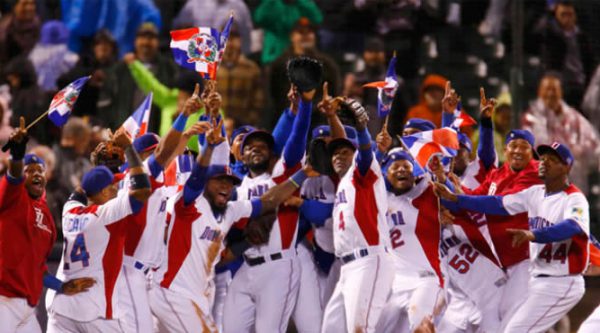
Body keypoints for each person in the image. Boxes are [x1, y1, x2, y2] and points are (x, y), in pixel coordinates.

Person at [151, 115, 316, 332]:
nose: (225, 187)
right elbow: (196, 179)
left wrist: (302, 175)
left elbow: (268, 201)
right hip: (171, 291)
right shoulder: (190, 204)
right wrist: (209, 147)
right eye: (219, 181)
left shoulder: (231, 210)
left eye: (229, 183)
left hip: (196, 294)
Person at [434, 141, 590, 333]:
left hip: (562, 281)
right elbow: (496, 203)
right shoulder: (534, 193)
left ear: (566, 167)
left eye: (552, 160)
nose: (544, 162)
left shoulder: (574, 198)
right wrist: (456, 198)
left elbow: (572, 226)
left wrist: (533, 234)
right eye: (543, 158)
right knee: (507, 326)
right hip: (537, 278)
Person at [222, 81, 314, 333]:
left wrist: (304, 105)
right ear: (240, 155)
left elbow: (296, 138)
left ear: (272, 152)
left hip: (278, 266)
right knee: (229, 327)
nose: (255, 149)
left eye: (262, 145)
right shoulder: (235, 189)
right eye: (249, 146)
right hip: (246, 266)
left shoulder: (281, 175)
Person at [118, 86, 210, 333]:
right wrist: (183, 116)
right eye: (150, 152)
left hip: (145, 275)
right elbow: (163, 154)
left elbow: (167, 155)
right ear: (140, 156)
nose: (158, 156)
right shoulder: (139, 177)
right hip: (130, 271)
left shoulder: (143, 180)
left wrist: (187, 133)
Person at [46, 127, 152, 332]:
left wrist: (100, 168)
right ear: (102, 190)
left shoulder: (69, 211)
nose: (114, 188)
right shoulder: (105, 215)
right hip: (95, 310)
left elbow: (83, 188)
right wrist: (129, 149)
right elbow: (142, 190)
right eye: (110, 186)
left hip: (61, 307)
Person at [1, 118, 94, 332]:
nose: (35, 174)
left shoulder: (48, 218)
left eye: (40, 170)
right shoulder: (12, 197)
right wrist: (17, 154)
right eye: (29, 170)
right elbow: (13, 176)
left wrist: (61, 286)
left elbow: (38, 269)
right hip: (3, 300)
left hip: (28, 307)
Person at [321, 98, 395, 333]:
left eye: (345, 152)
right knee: (330, 328)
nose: (339, 156)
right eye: (335, 153)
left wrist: (362, 129)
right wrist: (332, 117)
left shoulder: (363, 172)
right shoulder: (343, 183)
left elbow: (364, 153)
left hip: (369, 261)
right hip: (347, 267)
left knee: (360, 329)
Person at [375, 149, 445, 333]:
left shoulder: (427, 192)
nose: (401, 170)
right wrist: (378, 151)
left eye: (406, 166)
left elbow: (448, 192)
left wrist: (441, 177)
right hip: (397, 281)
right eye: (395, 166)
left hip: (428, 279)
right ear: (385, 173)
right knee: (374, 326)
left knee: (420, 325)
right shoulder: (382, 199)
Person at [522, 73, 600, 195]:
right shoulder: (530, 119)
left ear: (561, 92)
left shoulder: (575, 118)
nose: (550, 94)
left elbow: (595, 148)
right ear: (539, 92)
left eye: (554, 89)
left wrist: (581, 152)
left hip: (574, 190)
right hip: (542, 191)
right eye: (547, 89)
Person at [98, 23, 178, 132]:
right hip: (124, 132)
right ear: (135, 41)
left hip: (155, 132)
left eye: (151, 38)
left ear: (157, 42)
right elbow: (107, 101)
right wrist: (110, 127)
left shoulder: (169, 69)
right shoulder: (121, 69)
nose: (146, 42)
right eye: (142, 37)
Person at [269, 18, 341, 126]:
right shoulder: (279, 64)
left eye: (309, 33)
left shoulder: (327, 64)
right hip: (288, 119)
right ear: (292, 37)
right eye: (301, 33)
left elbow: (335, 93)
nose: (306, 36)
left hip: (319, 121)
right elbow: (272, 96)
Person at [536, 0, 595, 106]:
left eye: (570, 15)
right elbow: (538, 30)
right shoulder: (551, 35)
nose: (567, 19)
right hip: (561, 85)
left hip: (581, 85)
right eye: (563, 15)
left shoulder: (582, 37)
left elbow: (589, 62)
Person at [57, 30, 118, 119]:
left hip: (110, 117)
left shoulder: (118, 68)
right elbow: (62, 81)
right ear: (93, 48)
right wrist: (89, 77)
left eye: (107, 44)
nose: (103, 47)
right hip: (84, 117)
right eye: (99, 44)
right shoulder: (85, 64)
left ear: (113, 49)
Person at [216, 28, 264, 127]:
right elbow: (205, 96)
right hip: (216, 125)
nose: (230, 43)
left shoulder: (251, 68)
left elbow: (258, 100)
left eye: (234, 38)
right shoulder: (211, 67)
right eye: (226, 38)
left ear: (240, 41)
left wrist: (250, 120)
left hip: (243, 125)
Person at [173, 0, 254, 55]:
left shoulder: (239, 6)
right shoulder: (194, 4)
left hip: (228, 61)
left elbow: (246, 36)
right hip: (200, 59)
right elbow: (178, 29)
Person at [254, 0, 323, 64]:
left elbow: (317, 19)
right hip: (275, 56)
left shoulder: (302, 3)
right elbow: (259, 18)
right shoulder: (273, 3)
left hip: (303, 55)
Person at [28, 20, 78, 92]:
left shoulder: (35, 52)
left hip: (37, 94)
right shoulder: (63, 50)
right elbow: (74, 63)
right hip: (60, 94)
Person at [0, 0, 40, 66]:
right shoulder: (5, 29)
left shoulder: (36, 22)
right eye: (24, 4)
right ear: (15, 7)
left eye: (32, 4)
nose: (29, 8)